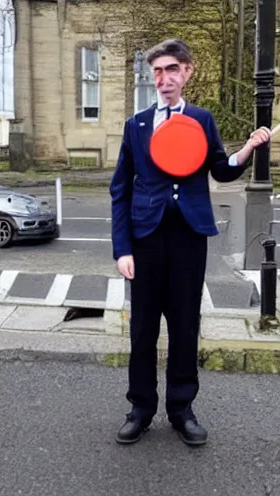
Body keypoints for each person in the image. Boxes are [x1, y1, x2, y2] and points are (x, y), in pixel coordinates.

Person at [110, 38, 270, 447]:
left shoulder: (201, 119)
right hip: (145, 237)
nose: (164, 79)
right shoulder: (137, 125)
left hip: (187, 238)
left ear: (187, 72)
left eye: (172, 70)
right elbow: (120, 190)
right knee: (143, 330)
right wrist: (122, 248)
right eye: (158, 72)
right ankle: (141, 409)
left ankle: (182, 409)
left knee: (185, 327)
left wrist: (247, 149)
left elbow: (220, 168)